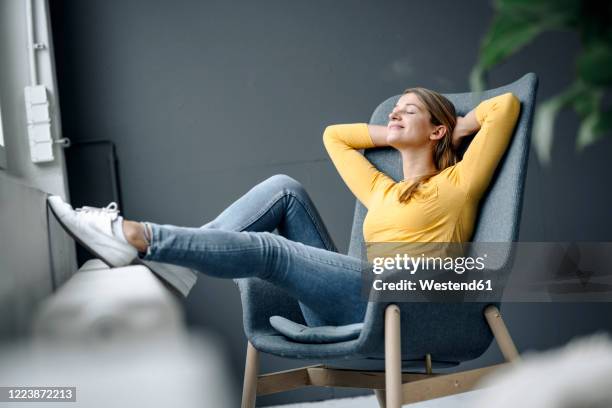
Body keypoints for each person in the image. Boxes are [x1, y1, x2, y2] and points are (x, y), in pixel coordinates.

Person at [48, 89, 520, 327]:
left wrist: (458, 128)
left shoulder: (459, 184)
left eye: (409, 110)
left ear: (438, 131)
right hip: (355, 300)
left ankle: (139, 236)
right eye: (395, 108)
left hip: (403, 309)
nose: (394, 113)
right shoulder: (381, 190)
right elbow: (334, 136)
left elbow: (507, 105)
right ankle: (178, 267)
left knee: (269, 251)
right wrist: (396, 132)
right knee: (283, 188)